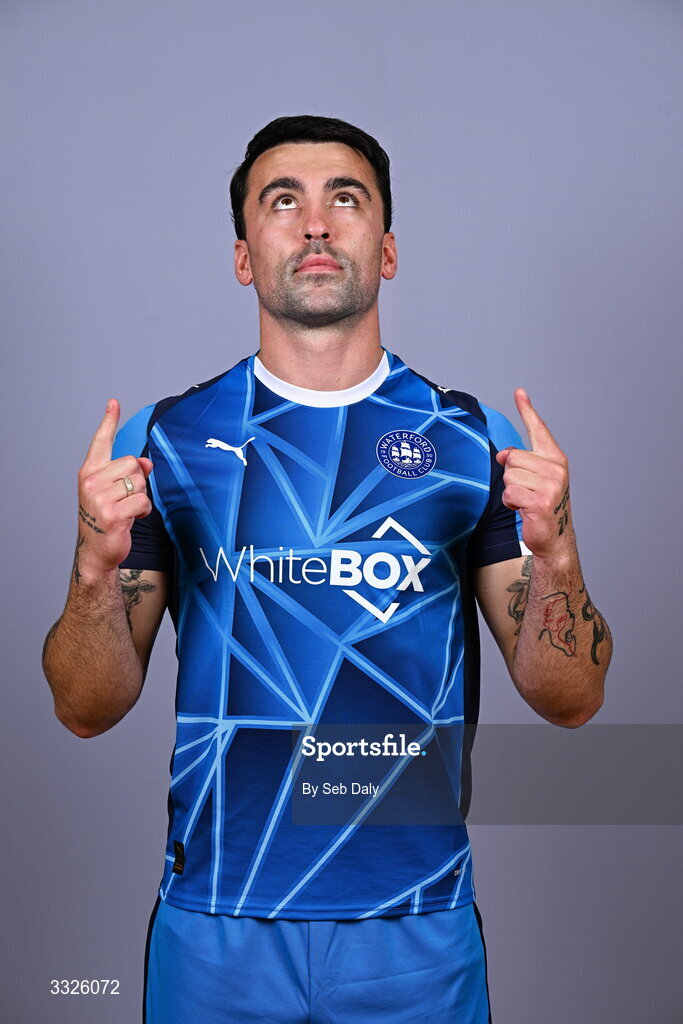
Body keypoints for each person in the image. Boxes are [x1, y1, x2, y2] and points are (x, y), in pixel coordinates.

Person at [42, 115, 612, 1023]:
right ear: (243, 255)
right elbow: (84, 708)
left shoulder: (474, 445)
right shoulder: (160, 446)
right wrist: (91, 569)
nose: (315, 224)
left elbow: (570, 697)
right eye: (283, 201)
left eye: (344, 199)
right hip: (218, 922)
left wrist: (558, 552)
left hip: (413, 926)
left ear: (385, 250)